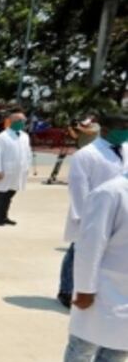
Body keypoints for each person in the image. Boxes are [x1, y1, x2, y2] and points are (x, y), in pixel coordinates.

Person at [60, 174, 128, 362]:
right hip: (105, 283)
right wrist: (85, 288)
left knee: (120, 347)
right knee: (84, 343)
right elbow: (90, 244)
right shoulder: (110, 193)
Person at [58, 112, 128, 307]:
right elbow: (78, 188)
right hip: (93, 212)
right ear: (105, 130)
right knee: (79, 252)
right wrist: (85, 217)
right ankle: (67, 289)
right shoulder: (86, 155)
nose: (126, 132)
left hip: (120, 211)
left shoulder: (125, 149)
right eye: (122, 129)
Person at [0, 110, 31, 226]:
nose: (22, 122)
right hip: (5, 170)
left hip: (18, 170)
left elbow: (27, 152)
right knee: (0, 193)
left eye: (24, 120)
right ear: (12, 121)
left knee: (10, 194)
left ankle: (4, 216)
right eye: (20, 120)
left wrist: (27, 166)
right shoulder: (2, 137)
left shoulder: (25, 136)